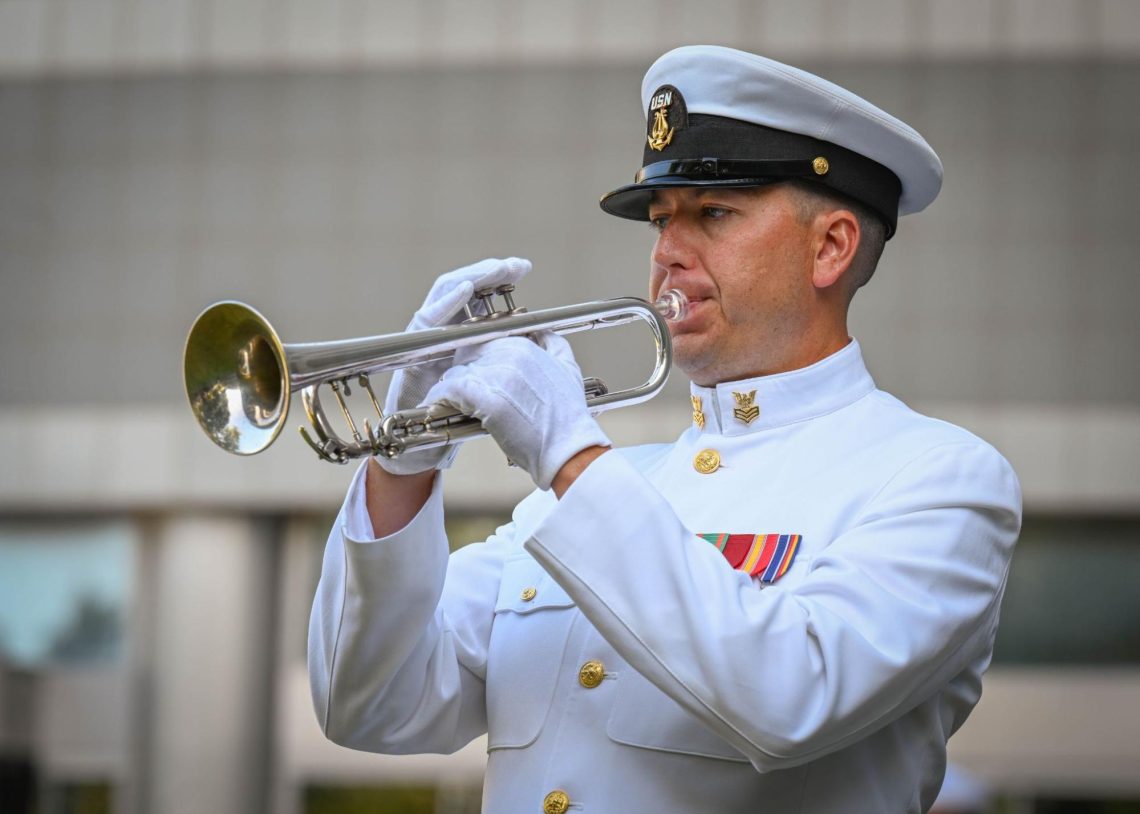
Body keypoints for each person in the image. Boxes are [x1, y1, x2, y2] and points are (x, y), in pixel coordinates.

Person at [308, 45, 1021, 814]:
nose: (666, 255)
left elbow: (791, 696)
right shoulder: (589, 493)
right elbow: (370, 706)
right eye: (659, 221)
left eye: (713, 214)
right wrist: (405, 461)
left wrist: (569, 454)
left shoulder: (938, 479)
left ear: (830, 247)